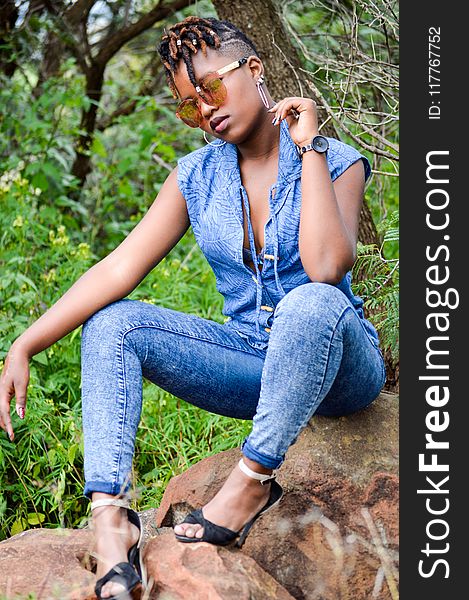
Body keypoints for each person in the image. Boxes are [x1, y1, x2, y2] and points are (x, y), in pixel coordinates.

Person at [0, 15, 386, 600]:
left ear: (254, 69)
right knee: (115, 322)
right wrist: (25, 342)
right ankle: (111, 519)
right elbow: (117, 270)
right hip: (251, 359)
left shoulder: (336, 161)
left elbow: (327, 268)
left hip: (338, 361)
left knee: (311, 302)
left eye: (210, 88)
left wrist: (307, 148)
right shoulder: (197, 177)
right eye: (189, 105)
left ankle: (251, 482)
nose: (205, 111)